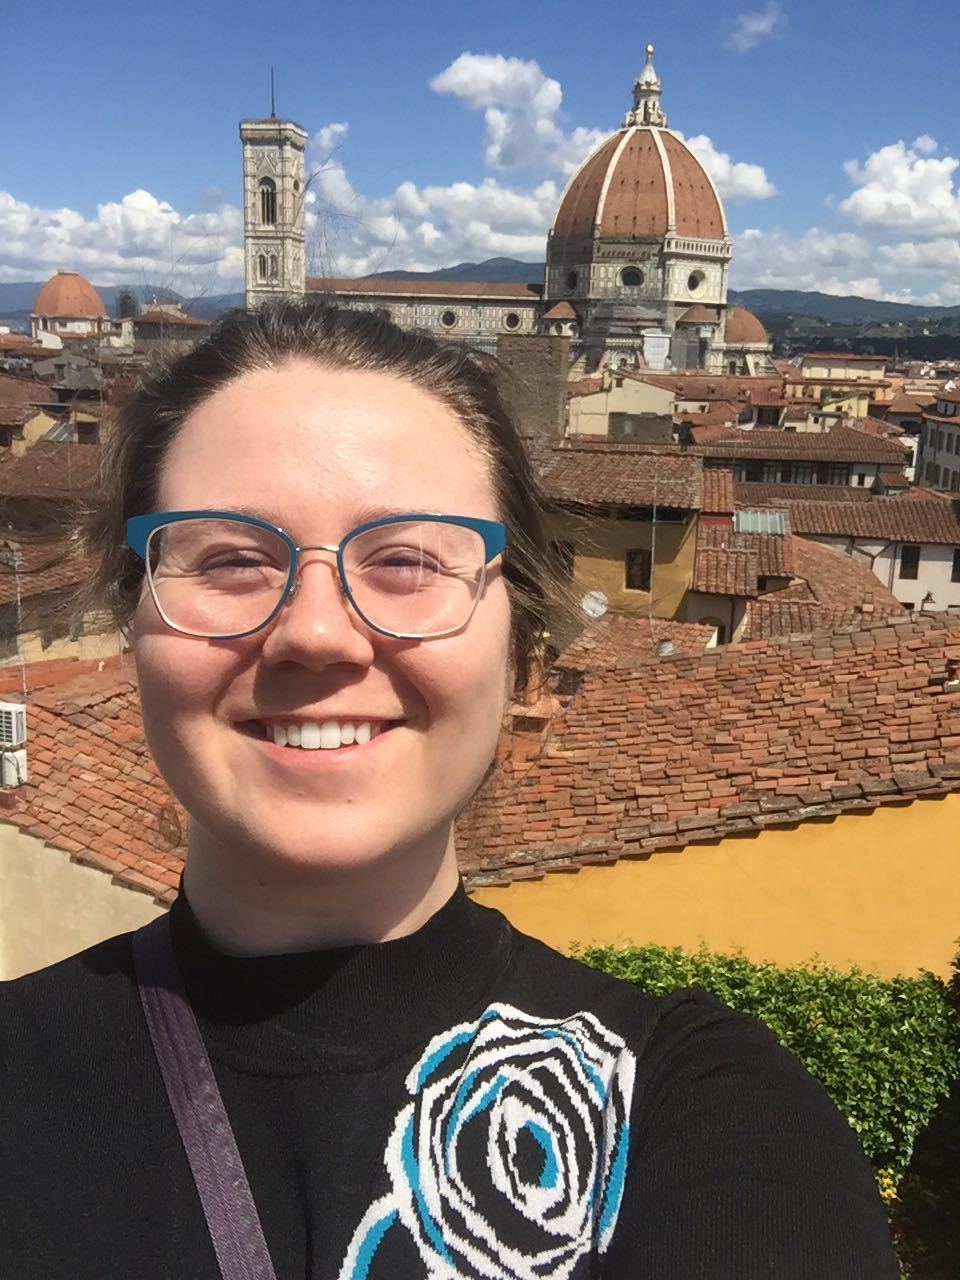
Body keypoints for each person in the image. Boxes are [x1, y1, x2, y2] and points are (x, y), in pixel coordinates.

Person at [0, 302, 896, 1279]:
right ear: (133, 626)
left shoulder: (701, 1113)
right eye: (229, 559)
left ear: (520, 653)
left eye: (408, 561)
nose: (316, 632)